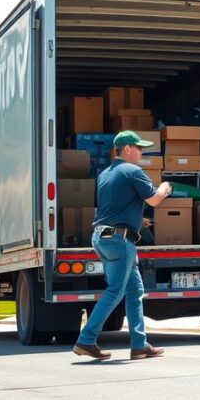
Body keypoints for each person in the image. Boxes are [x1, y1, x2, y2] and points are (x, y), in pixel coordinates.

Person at [73, 131, 173, 361]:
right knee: (115, 291)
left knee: (134, 290)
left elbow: (114, 208)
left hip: (103, 237)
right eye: (139, 148)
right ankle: (86, 340)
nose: (142, 152)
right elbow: (154, 199)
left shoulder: (105, 174)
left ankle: (139, 345)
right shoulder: (133, 171)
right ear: (127, 149)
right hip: (119, 240)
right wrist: (166, 186)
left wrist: (137, 220)